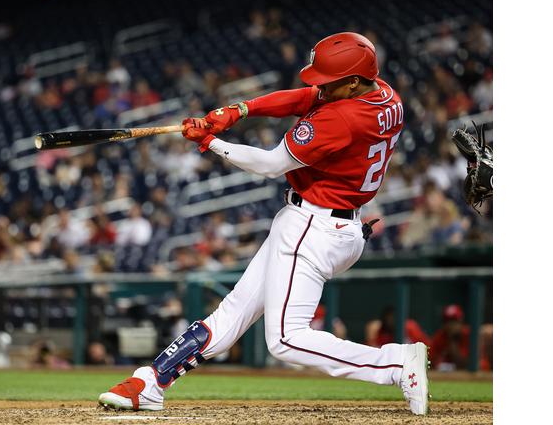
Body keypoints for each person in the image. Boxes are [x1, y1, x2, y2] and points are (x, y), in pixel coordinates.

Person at [98, 33, 430, 415]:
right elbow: (303, 98)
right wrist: (240, 110)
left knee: (286, 340)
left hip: (313, 226)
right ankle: (152, 382)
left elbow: (273, 165)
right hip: (333, 225)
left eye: (328, 79)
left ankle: (395, 364)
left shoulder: (342, 117)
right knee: (232, 312)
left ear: (353, 81)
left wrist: (210, 143)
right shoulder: (385, 94)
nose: (318, 84)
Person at [429, 304, 492, 372]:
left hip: (478, 377)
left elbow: (476, 366)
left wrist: (453, 343)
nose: (452, 325)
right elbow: (431, 363)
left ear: (461, 321)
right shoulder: (439, 337)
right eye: (449, 321)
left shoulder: (471, 335)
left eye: (455, 320)